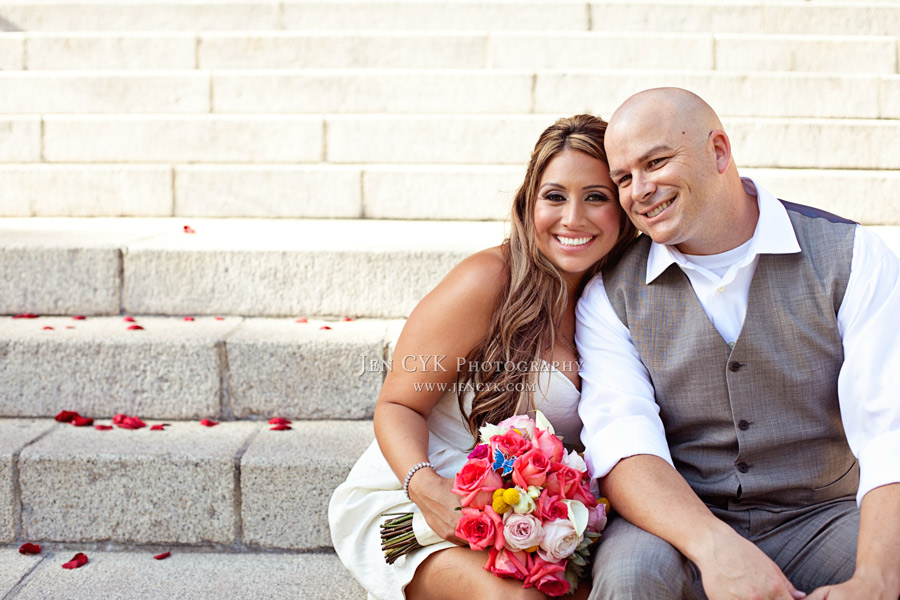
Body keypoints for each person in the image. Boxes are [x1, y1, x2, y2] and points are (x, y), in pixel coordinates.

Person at [576, 87, 900, 600]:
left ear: (719, 151)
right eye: (622, 178)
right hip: (680, 521)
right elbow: (623, 442)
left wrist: (877, 580)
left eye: (656, 162)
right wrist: (714, 547)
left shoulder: (853, 256)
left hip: (825, 515)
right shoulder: (610, 293)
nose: (638, 190)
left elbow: (890, 430)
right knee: (629, 578)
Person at [329, 114, 638, 600]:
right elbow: (398, 405)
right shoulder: (487, 282)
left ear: (623, 209)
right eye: (554, 196)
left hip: (545, 520)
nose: (573, 218)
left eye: (595, 197)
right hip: (423, 500)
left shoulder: (628, 299)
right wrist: (428, 490)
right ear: (528, 203)